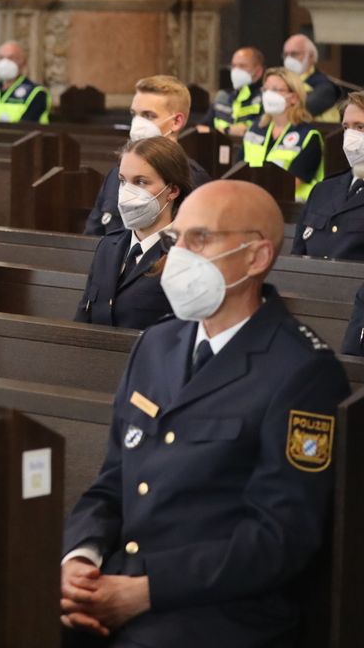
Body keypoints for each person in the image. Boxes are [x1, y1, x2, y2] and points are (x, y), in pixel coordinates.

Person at [61, 180, 349, 646]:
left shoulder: (302, 371)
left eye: (200, 239)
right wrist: (80, 558)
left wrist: (146, 592)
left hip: (216, 612)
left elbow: (280, 537)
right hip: (118, 579)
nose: (178, 255)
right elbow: (114, 478)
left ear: (256, 256)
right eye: (177, 239)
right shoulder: (158, 343)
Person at [75, 137, 191, 329]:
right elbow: (83, 319)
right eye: (122, 181)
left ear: (172, 190)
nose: (127, 192)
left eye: (141, 182)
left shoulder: (185, 254)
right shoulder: (108, 246)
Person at [84, 75, 211, 236]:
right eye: (134, 114)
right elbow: (92, 235)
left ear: (176, 122)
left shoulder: (193, 178)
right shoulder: (117, 174)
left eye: (148, 116)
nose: (137, 123)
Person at [292, 91, 364, 260]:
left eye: (360, 127)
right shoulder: (323, 190)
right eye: (346, 127)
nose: (350, 135)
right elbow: (297, 255)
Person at [241, 67, 323, 202]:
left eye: (275, 90)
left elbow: (292, 184)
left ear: (294, 98)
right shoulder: (255, 129)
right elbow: (238, 170)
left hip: (292, 208)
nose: (268, 94)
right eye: (265, 89)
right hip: (251, 201)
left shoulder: (308, 136)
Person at [0, 41, 51, 124]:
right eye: (1, 58)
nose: (5, 62)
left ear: (24, 62)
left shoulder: (36, 93)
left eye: (11, 58)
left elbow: (27, 125)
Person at [203, 46, 264, 135]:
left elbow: (262, 129)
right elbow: (201, 128)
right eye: (233, 66)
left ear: (258, 72)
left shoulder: (265, 98)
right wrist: (226, 131)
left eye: (242, 66)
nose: (236, 70)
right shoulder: (222, 97)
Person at [282, 33, 341, 121]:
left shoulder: (324, 86)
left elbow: (303, 111)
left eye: (294, 54)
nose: (289, 59)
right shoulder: (281, 81)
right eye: (286, 54)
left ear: (311, 56)